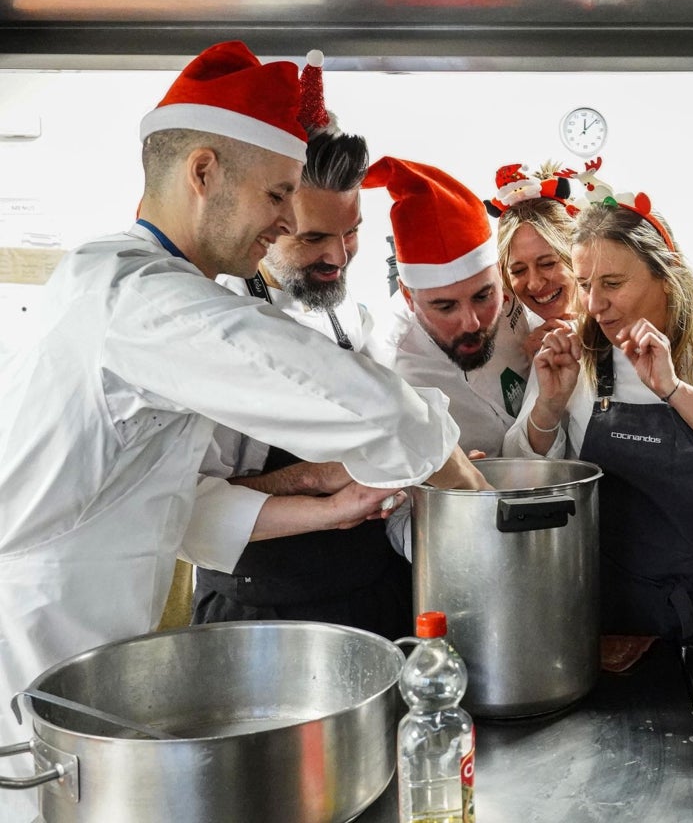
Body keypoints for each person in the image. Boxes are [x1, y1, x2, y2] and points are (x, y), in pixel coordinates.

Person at [0, 41, 483, 799]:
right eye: (278, 196)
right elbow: (369, 403)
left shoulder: (141, 292)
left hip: (90, 664)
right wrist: (458, 480)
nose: (289, 221)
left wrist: (326, 485)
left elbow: (176, 503)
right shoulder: (133, 297)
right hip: (31, 663)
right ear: (203, 172)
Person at [502, 181, 693, 640]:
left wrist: (674, 390)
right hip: (621, 609)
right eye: (584, 285)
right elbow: (522, 478)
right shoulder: (575, 348)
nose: (595, 305)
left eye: (613, 284)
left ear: (665, 272)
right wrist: (549, 403)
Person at [187, 51, 416, 639]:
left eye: (353, 231)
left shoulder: (345, 312)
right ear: (270, 213)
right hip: (260, 619)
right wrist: (310, 481)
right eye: (314, 238)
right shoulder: (212, 325)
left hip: (374, 600)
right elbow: (184, 505)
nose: (338, 258)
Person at [367, 157, 535, 459]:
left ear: (498, 273)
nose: (471, 323)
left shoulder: (521, 291)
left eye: (483, 297)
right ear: (407, 296)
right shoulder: (389, 367)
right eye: (445, 307)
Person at [488, 161, 580, 359]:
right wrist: (528, 368)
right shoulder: (510, 344)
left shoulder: (622, 330)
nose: (535, 283)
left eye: (547, 263)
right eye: (519, 270)